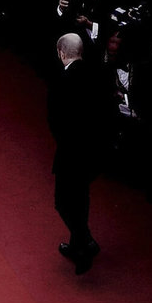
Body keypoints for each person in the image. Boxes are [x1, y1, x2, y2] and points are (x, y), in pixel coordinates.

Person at [48, 32, 109, 274]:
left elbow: (55, 121)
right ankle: (78, 244)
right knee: (81, 201)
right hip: (93, 154)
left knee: (62, 202)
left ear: (61, 53)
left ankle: (84, 243)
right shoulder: (97, 75)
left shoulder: (62, 82)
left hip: (71, 155)